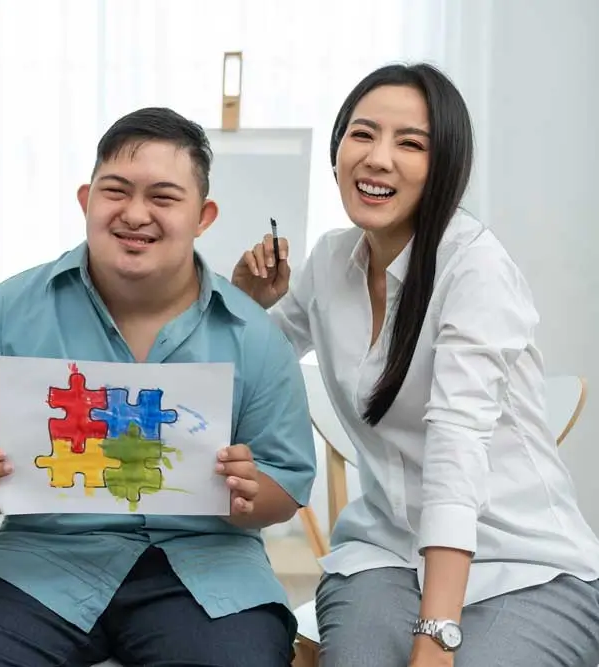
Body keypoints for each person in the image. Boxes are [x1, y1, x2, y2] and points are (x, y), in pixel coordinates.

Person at [0, 107, 317, 666]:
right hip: (38, 561)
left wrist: (250, 494)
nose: (135, 214)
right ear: (86, 200)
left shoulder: (254, 335)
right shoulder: (8, 311)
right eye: (116, 191)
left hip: (207, 567)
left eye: (163, 197)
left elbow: (285, 486)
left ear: (203, 216)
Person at [233, 63, 599, 667]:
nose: (378, 158)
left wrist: (436, 634)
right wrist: (246, 300)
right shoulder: (330, 262)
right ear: (337, 149)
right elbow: (250, 372)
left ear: (444, 168)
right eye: (363, 134)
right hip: (384, 552)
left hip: (524, 565)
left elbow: (456, 445)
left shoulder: (474, 268)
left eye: (411, 144)